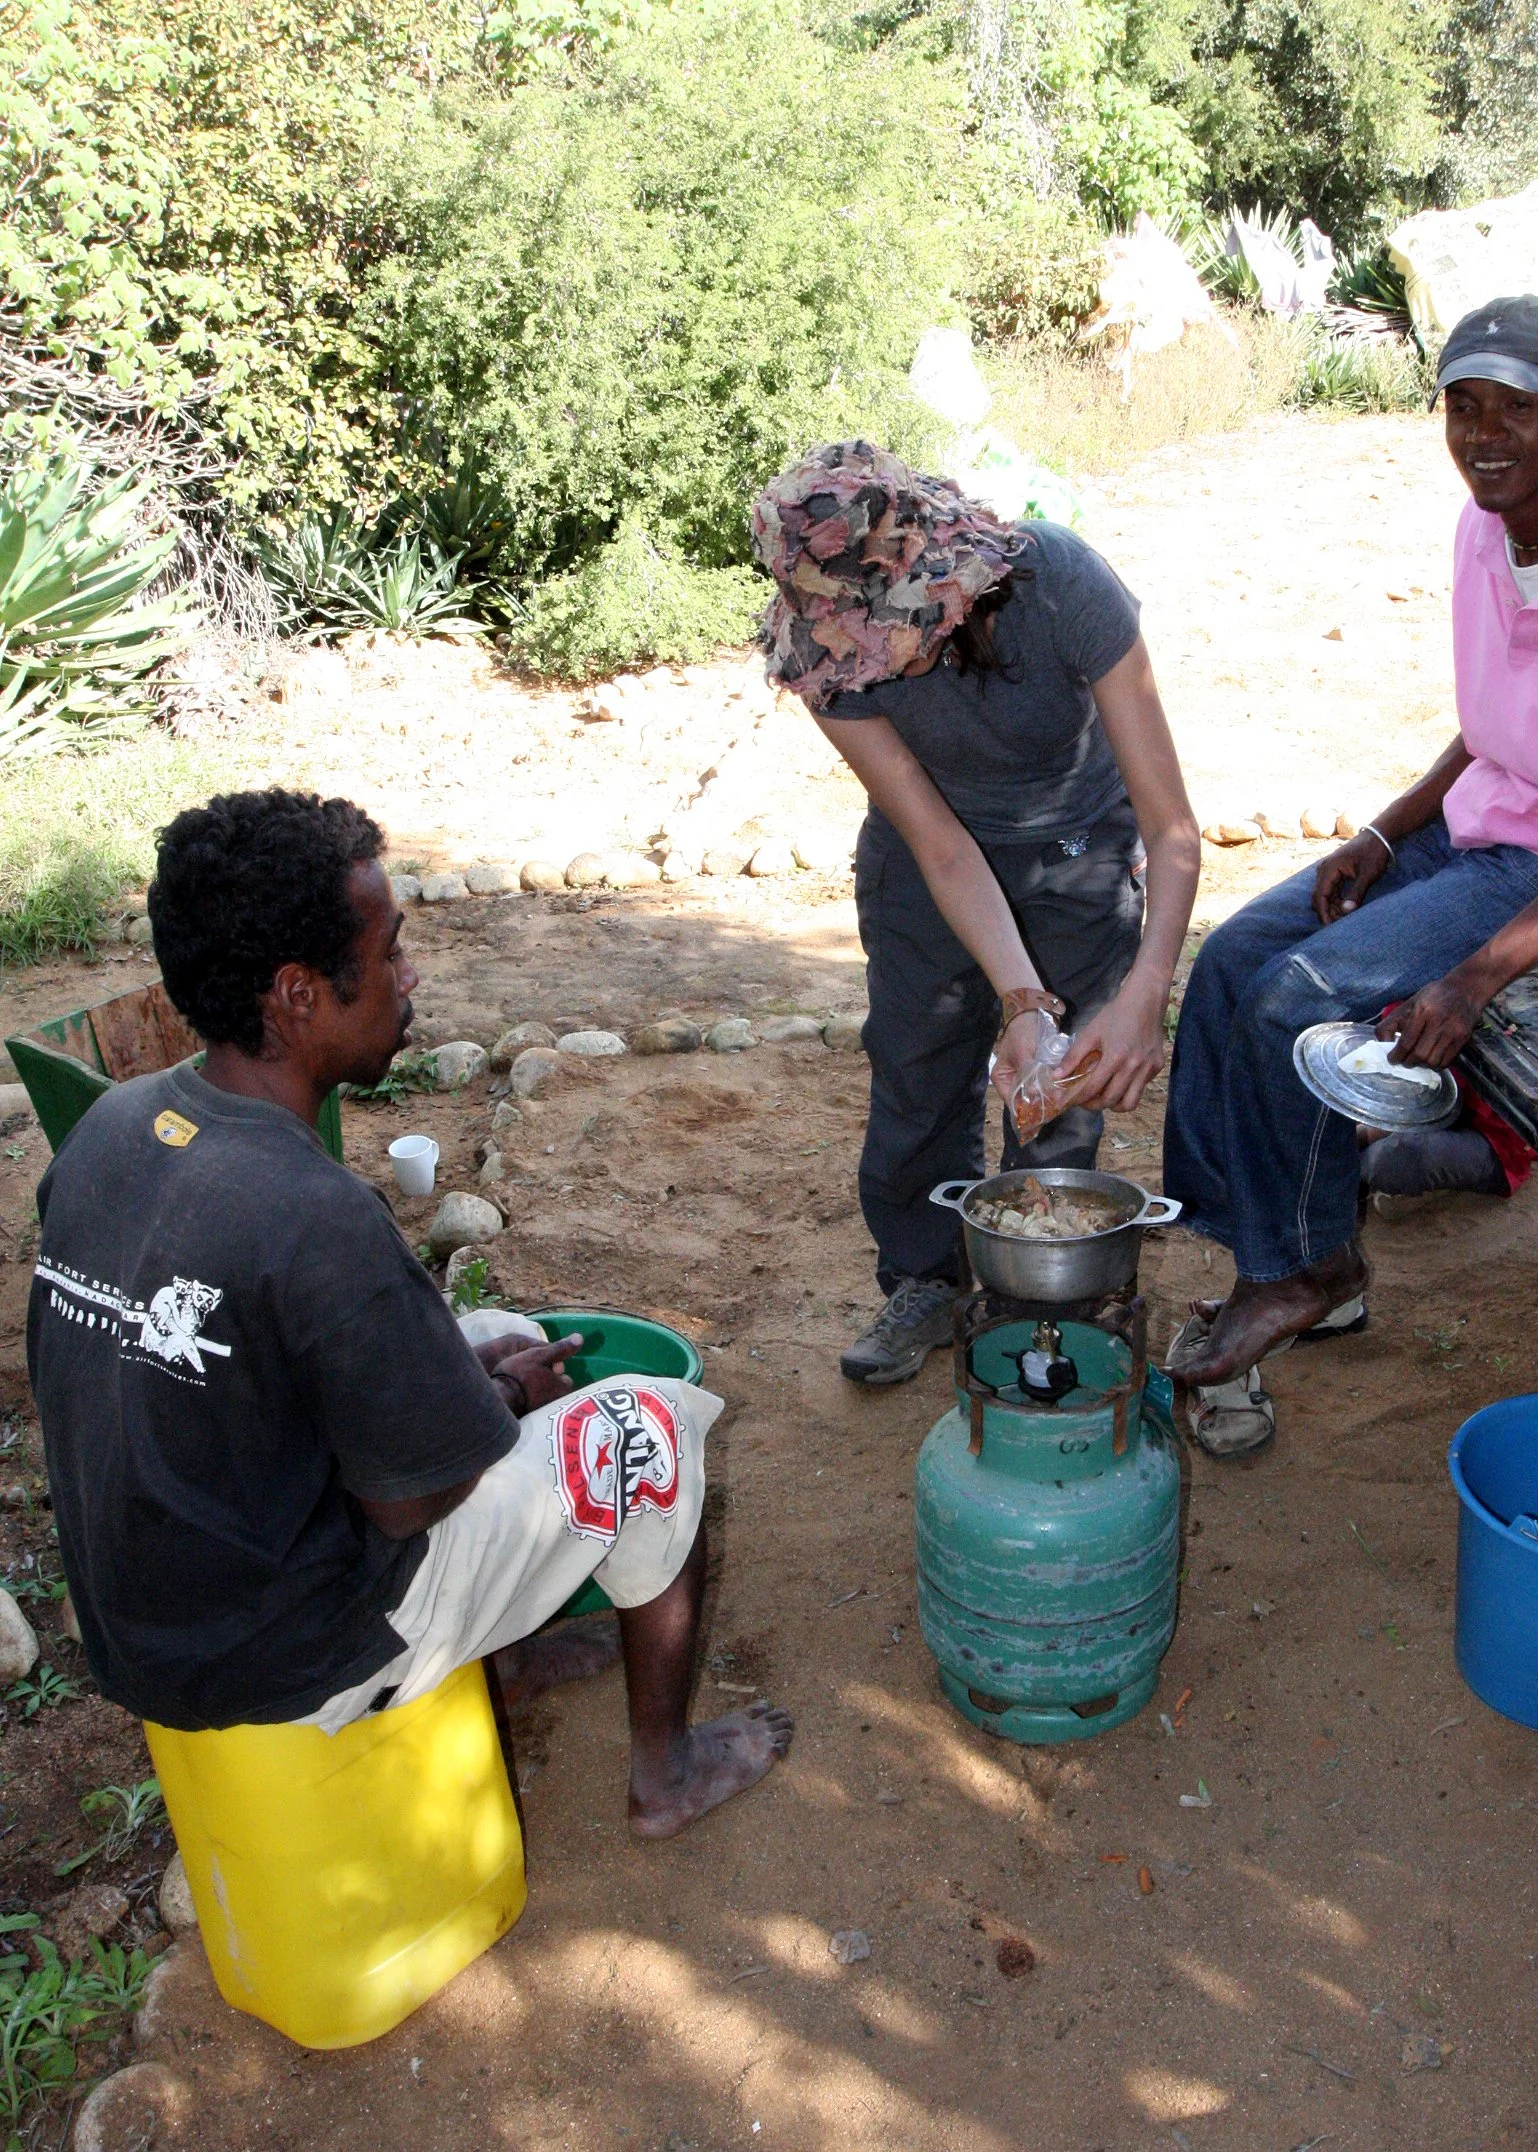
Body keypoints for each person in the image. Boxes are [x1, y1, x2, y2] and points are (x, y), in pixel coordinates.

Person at [26, 789, 790, 1837]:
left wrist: (477, 1383)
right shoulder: (314, 1211)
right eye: (389, 950)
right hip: (292, 1652)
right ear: (298, 995)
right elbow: (410, 1502)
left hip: (150, 1618)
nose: (409, 974)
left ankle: (509, 1654)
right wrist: (502, 1402)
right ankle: (668, 1773)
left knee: (483, 1328)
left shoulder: (113, 1126)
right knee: (644, 1432)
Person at [1164, 294, 1538, 1389]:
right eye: (1460, 405)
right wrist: (1387, 830)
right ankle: (1279, 1246)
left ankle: (1302, 1274)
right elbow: (1489, 725)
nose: (1480, 436)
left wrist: (1475, 979)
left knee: (1297, 993)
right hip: (1501, 823)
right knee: (1234, 957)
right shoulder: (1488, 527)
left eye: (1513, 409)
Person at [753, 441, 1200, 1385]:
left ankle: (1045, 1297)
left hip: (1077, 849)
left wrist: (1143, 991)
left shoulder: (1062, 584)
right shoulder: (822, 661)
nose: (871, 660)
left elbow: (1172, 829)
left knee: (1059, 1095)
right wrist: (1020, 999)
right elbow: (942, 844)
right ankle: (924, 1278)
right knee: (915, 1074)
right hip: (927, 866)